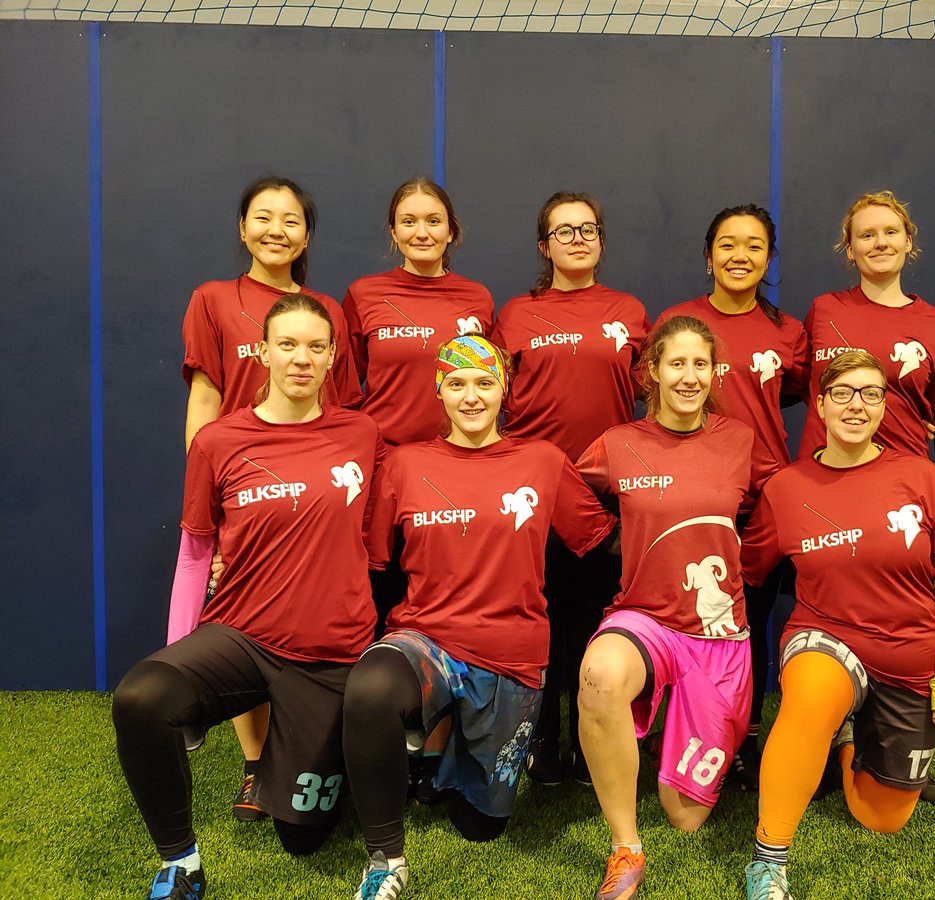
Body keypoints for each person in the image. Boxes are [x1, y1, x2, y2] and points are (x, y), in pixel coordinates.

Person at [115, 294, 386, 900]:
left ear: (334, 357)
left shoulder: (363, 434)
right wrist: (179, 657)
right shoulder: (218, 441)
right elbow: (194, 554)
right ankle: (180, 862)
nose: (301, 358)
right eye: (287, 344)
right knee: (142, 697)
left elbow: (377, 541)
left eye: (316, 347)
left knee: (303, 836)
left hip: (327, 650)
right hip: (238, 634)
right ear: (262, 352)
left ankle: (296, 761)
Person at [343, 334, 618, 900]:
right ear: (438, 390)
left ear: (505, 389)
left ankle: (441, 752)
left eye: (485, 382)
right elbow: (371, 561)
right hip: (425, 638)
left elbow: (601, 539)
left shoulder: (542, 461)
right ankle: (385, 860)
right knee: (370, 688)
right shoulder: (404, 464)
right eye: (458, 383)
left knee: (481, 826)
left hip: (512, 654)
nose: (472, 396)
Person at [740, 350, 935, 900]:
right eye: (842, 392)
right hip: (825, 635)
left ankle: (848, 738)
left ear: (884, 407)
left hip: (909, 654)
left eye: (871, 393)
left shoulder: (920, 477)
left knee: (881, 818)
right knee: (810, 699)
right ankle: (768, 862)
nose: (856, 404)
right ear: (819, 404)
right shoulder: (785, 487)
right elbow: (746, 571)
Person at [575, 315, 778, 900]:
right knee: (600, 673)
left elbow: (784, 498)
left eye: (700, 364)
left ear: (713, 373)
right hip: (644, 618)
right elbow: (568, 492)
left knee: (685, 816)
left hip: (719, 636)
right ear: (653, 373)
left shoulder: (740, 440)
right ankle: (624, 848)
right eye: (676, 364)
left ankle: (671, 726)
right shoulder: (619, 444)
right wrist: (618, 541)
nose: (688, 376)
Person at [180, 176, 362, 821]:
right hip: (244, 492)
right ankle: (256, 764)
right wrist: (215, 498)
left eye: (291, 220)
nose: (277, 229)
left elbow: (336, 410)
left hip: (312, 492)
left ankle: (307, 749)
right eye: (264, 217)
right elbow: (204, 399)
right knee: (243, 623)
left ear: (307, 235)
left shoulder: (327, 309)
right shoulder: (214, 299)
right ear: (242, 228)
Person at [800, 190, 935, 805]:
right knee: (825, 615)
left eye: (890, 232)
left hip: (902, 492)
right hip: (824, 487)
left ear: (908, 241)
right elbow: (796, 387)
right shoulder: (822, 311)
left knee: (902, 618)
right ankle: (818, 747)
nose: (879, 242)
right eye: (865, 234)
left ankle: (895, 753)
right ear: (849, 248)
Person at [492, 191, 649, 786]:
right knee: (543, 622)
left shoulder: (629, 310)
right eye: (564, 231)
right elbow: (489, 398)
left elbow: (650, 396)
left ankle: (591, 742)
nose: (577, 238)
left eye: (588, 229)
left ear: (601, 240)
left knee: (594, 623)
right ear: (544, 245)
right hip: (535, 494)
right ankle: (544, 741)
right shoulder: (515, 314)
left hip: (608, 496)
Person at [657, 204, 809, 791]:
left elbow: (794, 395)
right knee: (689, 623)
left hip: (763, 499)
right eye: (727, 244)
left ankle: (741, 739)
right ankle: (679, 737)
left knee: (748, 623)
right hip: (692, 497)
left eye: (752, 246)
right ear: (708, 254)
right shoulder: (677, 320)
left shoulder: (787, 332)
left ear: (768, 258)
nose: (739, 256)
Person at [342, 177, 495, 636]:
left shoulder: (478, 299)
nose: (421, 232)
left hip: (455, 470)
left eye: (434, 221)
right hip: (384, 470)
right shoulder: (364, 295)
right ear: (393, 231)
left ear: (452, 231)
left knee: (447, 591)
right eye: (408, 221)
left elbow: (485, 387)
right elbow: (347, 391)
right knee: (381, 590)